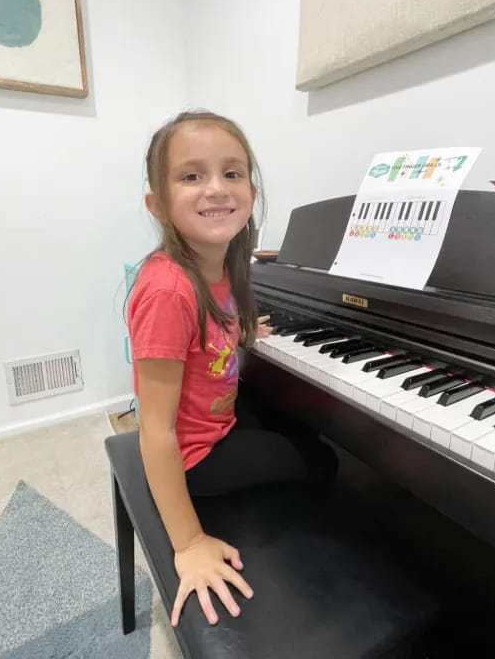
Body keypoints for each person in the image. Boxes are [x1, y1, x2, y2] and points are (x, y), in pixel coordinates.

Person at [126, 110, 337, 630]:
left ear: (252, 192)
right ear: (157, 204)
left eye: (233, 173)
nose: (216, 188)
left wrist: (242, 332)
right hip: (194, 457)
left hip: (216, 420)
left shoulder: (219, 262)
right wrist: (190, 543)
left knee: (297, 420)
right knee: (325, 460)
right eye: (191, 175)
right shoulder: (167, 288)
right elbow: (153, 430)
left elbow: (214, 328)